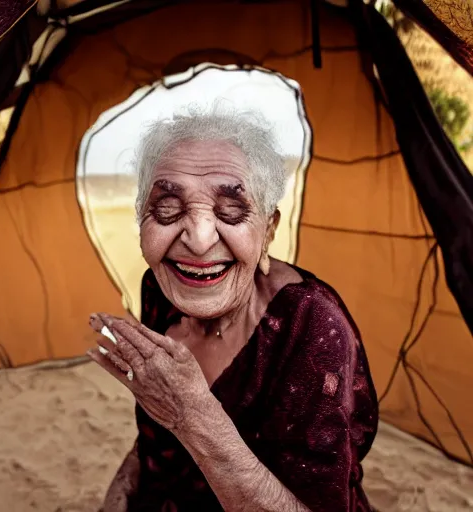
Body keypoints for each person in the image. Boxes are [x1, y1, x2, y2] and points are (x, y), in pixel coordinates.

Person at [88, 109, 378, 512]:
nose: (200, 240)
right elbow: (156, 436)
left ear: (269, 232)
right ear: (141, 221)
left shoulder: (311, 326)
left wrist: (193, 416)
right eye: (168, 208)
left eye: (231, 211)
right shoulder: (159, 287)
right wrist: (116, 498)